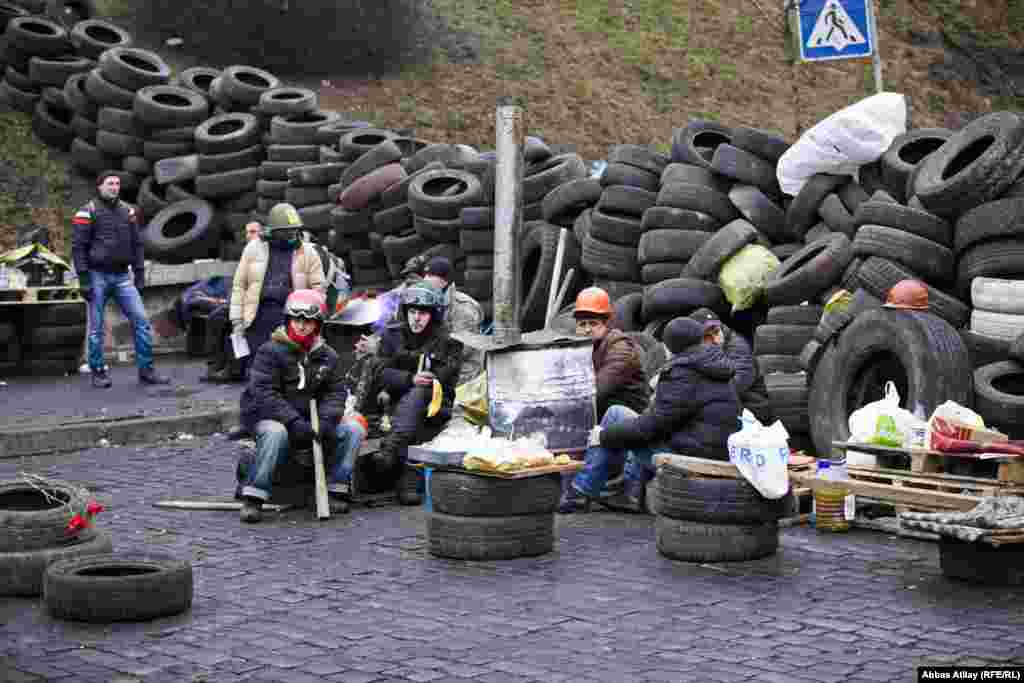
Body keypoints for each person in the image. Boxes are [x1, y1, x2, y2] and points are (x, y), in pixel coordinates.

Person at [564, 316, 741, 513]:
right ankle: (628, 493)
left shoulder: (682, 372)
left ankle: (579, 493)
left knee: (615, 420)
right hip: (712, 449)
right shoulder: (714, 364)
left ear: (670, 346)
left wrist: (603, 436)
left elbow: (652, 427)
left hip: (689, 456)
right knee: (623, 417)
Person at [237, 289, 368, 523]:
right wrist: (294, 422)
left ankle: (336, 489)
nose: (301, 325)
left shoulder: (328, 356)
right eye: (296, 319)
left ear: (317, 324)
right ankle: (254, 497)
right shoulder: (270, 352)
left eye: (308, 321)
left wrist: (326, 422)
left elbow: (335, 393)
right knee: (275, 433)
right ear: (288, 320)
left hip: (313, 422)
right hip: (276, 420)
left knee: (353, 429)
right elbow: (265, 394)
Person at [557, 286, 650, 512]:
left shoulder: (621, 348)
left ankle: (580, 493)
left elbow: (598, 389)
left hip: (629, 424)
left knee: (598, 418)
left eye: (593, 323)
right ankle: (569, 491)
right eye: (582, 324)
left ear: (606, 323)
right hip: (600, 418)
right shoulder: (580, 348)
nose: (587, 329)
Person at [73, 171, 170, 388]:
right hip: (96, 276)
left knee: (142, 322)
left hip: (122, 276)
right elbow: (78, 248)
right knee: (97, 328)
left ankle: (146, 371)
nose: (114, 187)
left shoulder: (128, 211)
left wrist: (140, 274)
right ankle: (98, 372)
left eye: (117, 184)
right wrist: (84, 279)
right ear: (99, 186)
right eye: (110, 184)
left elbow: (137, 244)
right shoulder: (87, 211)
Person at [372, 280, 463, 505]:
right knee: (413, 400)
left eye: (422, 313)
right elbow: (379, 373)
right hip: (397, 403)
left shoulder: (448, 341)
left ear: (433, 315)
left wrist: (421, 380)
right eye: (412, 312)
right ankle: (406, 476)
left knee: (422, 391)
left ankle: (393, 450)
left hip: (436, 404)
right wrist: (409, 378)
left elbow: (444, 378)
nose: (416, 318)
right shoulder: (392, 335)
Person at [230, 203, 325, 379]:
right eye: (285, 231)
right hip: (258, 318)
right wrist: (237, 320)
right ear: (273, 230)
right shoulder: (253, 248)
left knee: (288, 371)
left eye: (294, 230)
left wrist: (313, 323)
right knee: (257, 371)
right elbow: (239, 285)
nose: (291, 234)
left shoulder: (309, 252)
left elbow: (318, 290)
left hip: (291, 319)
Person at [422, 256, 484, 384]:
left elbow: (464, 349)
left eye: (431, 275)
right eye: (426, 275)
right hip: (438, 369)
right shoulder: (430, 300)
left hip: (463, 376)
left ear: (445, 280)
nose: (426, 279)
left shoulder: (463, 307)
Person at [688, 307, 757, 398]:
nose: (715, 340)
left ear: (721, 327)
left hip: (750, 401)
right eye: (707, 337)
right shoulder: (694, 350)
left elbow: (740, 380)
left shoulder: (737, 346)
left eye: (716, 332)